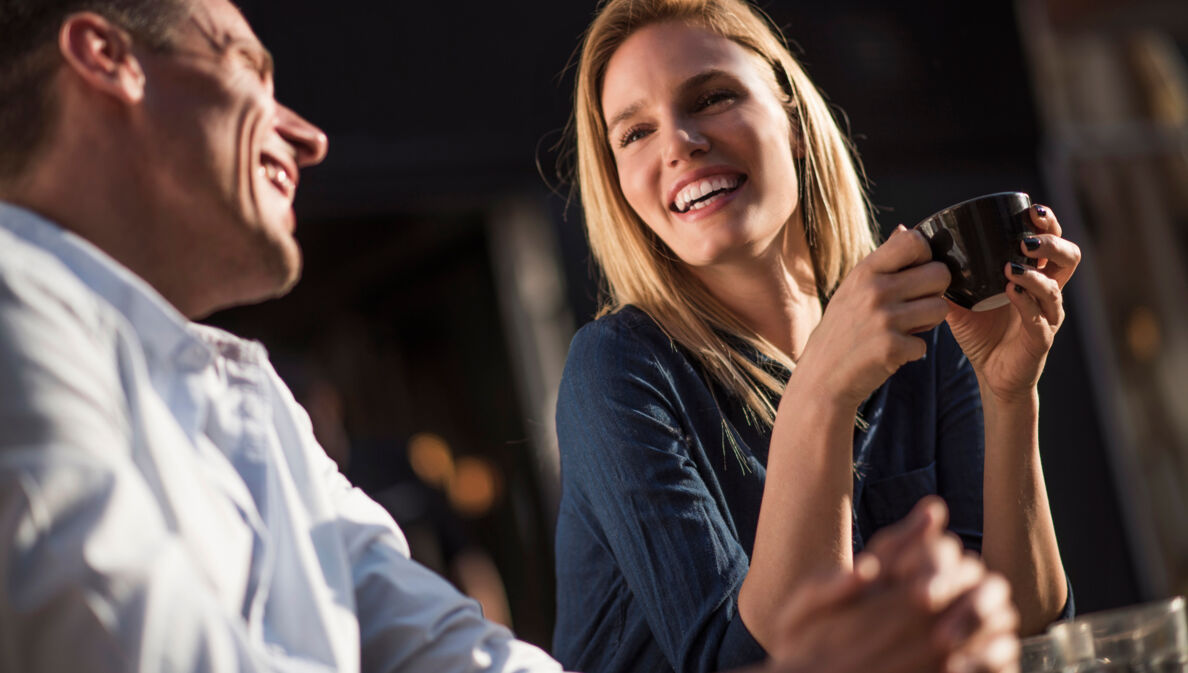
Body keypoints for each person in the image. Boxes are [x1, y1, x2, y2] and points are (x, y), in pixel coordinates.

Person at [0, 0, 1020, 671]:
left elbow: (454, 650)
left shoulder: (242, 395)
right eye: (248, 70)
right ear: (106, 58)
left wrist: (1008, 392)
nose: (306, 135)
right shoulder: (17, 315)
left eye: (714, 98)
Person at [552, 0, 1081, 672]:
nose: (679, 143)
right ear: (620, 184)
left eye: (711, 97)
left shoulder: (923, 330)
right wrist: (824, 390)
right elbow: (740, 663)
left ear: (794, 120)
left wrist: (1010, 396)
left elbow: (1019, 633)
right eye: (635, 133)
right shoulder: (617, 370)